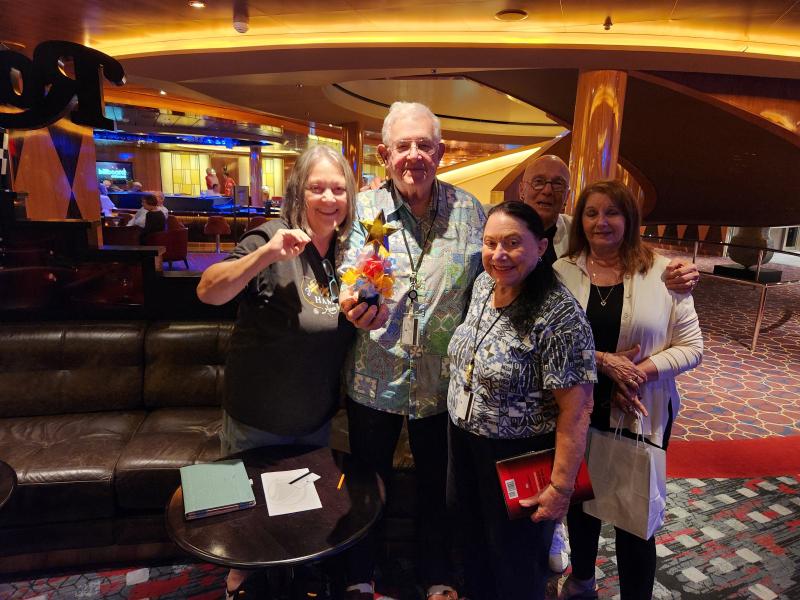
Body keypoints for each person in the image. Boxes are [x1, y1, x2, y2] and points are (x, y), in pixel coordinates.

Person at [519, 154, 700, 573]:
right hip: (578, 405)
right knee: (582, 501)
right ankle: (582, 579)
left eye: (613, 213)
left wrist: (638, 373)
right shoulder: (562, 272)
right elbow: (542, 339)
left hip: (640, 404)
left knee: (635, 517)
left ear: (629, 219)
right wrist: (604, 363)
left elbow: (692, 347)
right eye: (592, 213)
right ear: (579, 220)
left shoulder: (663, 273)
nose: (601, 222)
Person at [339, 101, 486, 600]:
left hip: (443, 384)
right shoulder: (364, 210)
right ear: (385, 155)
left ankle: (436, 572)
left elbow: (500, 275)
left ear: (440, 153)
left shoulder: (471, 211)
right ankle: (360, 574)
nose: (414, 155)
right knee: (367, 482)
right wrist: (352, 302)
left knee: (436, 488)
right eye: (403, 146)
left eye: (425, 145)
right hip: (374, 376)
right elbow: (346, 272)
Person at [196, 145, 357, 600]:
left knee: (300, 521)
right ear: (298, 191)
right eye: (318, 188)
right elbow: (208, 291)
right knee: (246, 530)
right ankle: (238, 585)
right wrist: (265, 255)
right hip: (256, 420)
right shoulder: (270, 238)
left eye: (339, 189)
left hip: (313, 421)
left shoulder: (345, 254)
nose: (329, 198)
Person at [447, 201, 595, 599]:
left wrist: (561, 488)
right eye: (490, 243)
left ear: (541, 247)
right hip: (466, 442)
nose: (499, 254)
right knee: (473, 548)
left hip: (520, 455)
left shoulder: (559, 315)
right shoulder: (484, 285)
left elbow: (577, 408)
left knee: (516, 564)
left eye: (513, 243)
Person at [519, 154, 699, 293]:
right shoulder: (502, 228)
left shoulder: (578, 229)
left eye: (558, 184)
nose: (548, 190)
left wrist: (677, 269)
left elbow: (628, 248)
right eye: (538, 182)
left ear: (567, 196)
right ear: (521, 190)